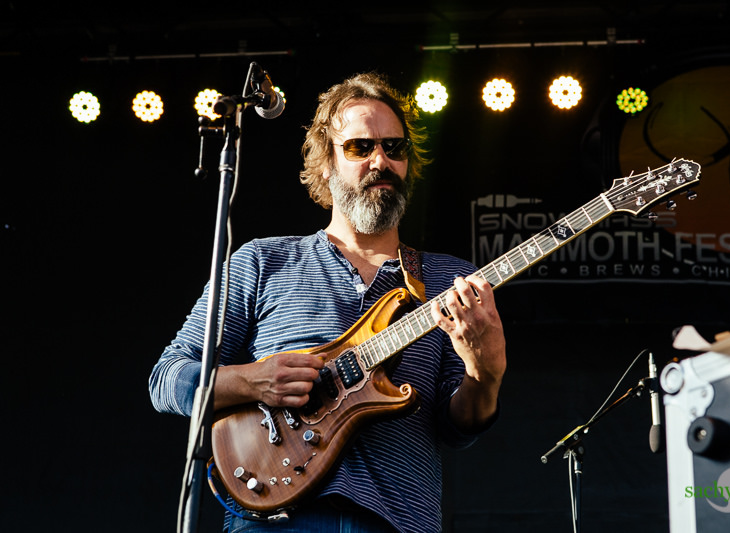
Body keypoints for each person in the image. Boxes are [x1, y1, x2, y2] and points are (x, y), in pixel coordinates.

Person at [149, 71, 507, 533]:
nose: (381, 160)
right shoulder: (263, 261)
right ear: (325, 164)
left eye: (394, 148)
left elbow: (460, 428)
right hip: (273, 520)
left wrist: (485, 372)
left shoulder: (447, 280)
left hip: (396, 521)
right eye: (360, 147)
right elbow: (167, 378)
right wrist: (252, 381)